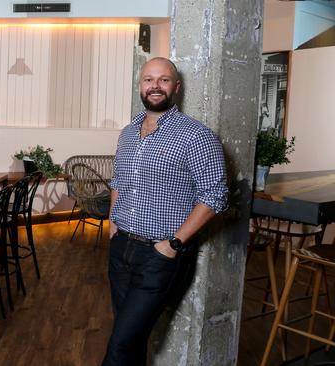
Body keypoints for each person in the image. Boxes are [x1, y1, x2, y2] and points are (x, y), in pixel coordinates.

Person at [102, 57, 228, 366]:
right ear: (140, 86)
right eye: (148, 79)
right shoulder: (128, 132)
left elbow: (215, 196)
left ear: (176, 87)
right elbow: (118, 179)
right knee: (129, 338)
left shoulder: (196, 136)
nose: (155, 86)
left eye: (163, 80)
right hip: (121, 249)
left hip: (159, 256)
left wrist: (172, 244)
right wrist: (112, 221)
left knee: (119, 347)